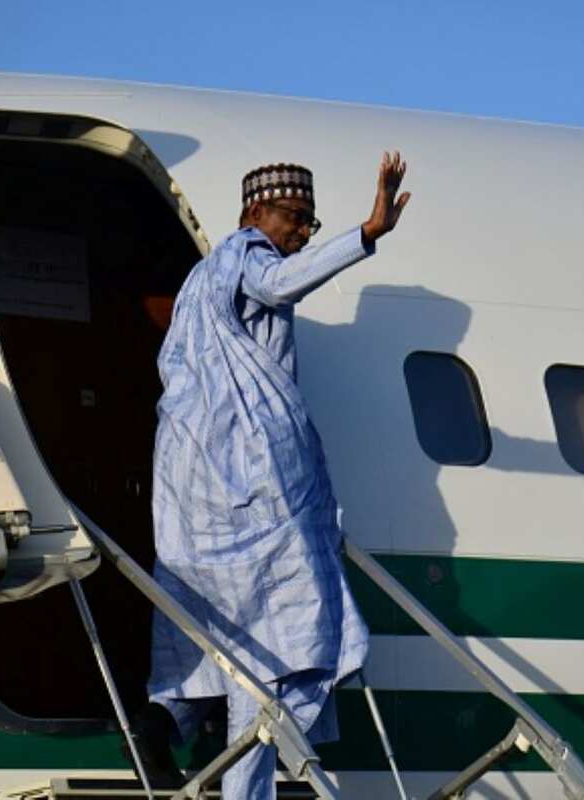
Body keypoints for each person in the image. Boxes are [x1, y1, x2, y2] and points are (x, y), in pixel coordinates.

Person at [133, 153, 411, 798]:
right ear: (255, 213)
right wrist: (365, 234)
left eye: (311, 225)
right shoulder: (244, 256)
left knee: (224, 637)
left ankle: (160, 719)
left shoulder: (197, 284)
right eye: (295, 218)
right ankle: (242, 787)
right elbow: (277, 285)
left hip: (192, 486)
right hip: (247, 483)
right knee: (284, 638)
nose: (301, 233)